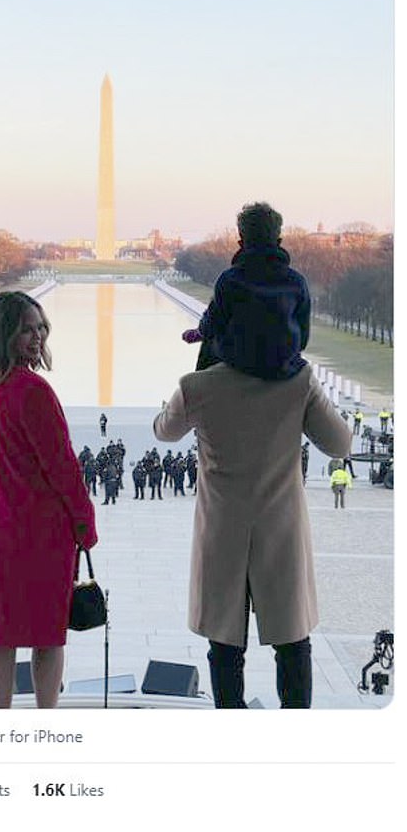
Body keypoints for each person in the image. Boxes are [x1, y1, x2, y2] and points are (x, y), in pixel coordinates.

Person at [153, 361, 351, 708]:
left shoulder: (197, 386)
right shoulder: (298, 379)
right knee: (292, 640)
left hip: (222, 527)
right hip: (281, 526)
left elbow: (164, 431)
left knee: (224, 642)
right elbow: (339, 443)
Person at [0, 291, 97, 709]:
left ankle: (2, 717)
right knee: (48, 633)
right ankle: (45, 717)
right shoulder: (33, 390)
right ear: (3, 333)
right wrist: (84, 522)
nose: (36, 337)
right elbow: (62, 466)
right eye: (26, 329)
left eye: (40, 328)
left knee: (0, 632)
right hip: (43, 530)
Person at [181, 202, 311, 381]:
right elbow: (303, 338)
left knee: (209, 341)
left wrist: (199, 333)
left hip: (239, 362)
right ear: (278, 241)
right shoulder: (297, 282)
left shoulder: (229, 280)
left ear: (241, 242)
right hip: (282, 365)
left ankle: (202, 392)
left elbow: (213, 323)